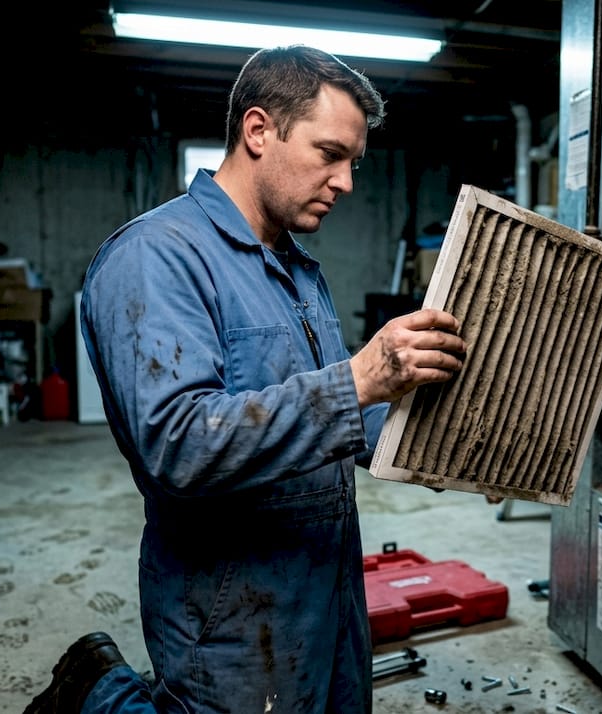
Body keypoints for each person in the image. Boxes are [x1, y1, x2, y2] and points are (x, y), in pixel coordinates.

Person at [25, 44, 467, 714]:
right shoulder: (155, 257)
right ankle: (99, 690)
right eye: (329, 154)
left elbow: (336, 416)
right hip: (230, 605)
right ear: (258, 130)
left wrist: (425, 444)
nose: (346, 181)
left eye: (355, 162)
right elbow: (178, 444)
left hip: (328, 586)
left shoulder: (295, 267)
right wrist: (360, 379)